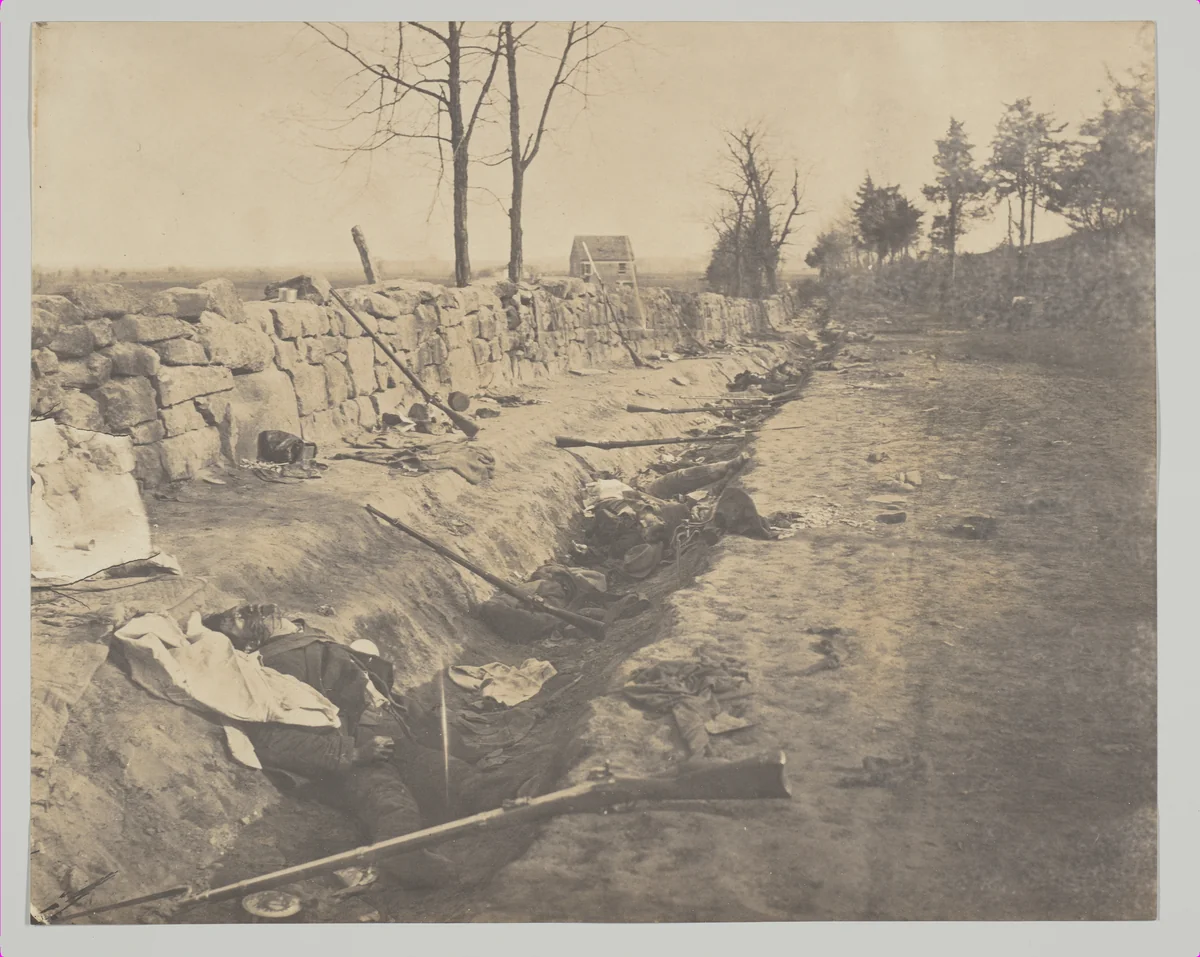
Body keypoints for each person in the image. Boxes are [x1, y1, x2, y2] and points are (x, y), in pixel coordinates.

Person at [203, 604, 537, 889]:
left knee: (450, 773)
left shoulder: (310, 638)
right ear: (245, 644)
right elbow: (275, 741)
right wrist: (354, 754)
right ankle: (402, 856)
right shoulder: (265, 671)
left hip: (380, 739)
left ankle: (520, 793)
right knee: (390, 802)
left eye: (244, 607)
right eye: (238, 620)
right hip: (340, 757)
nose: (251, 611)